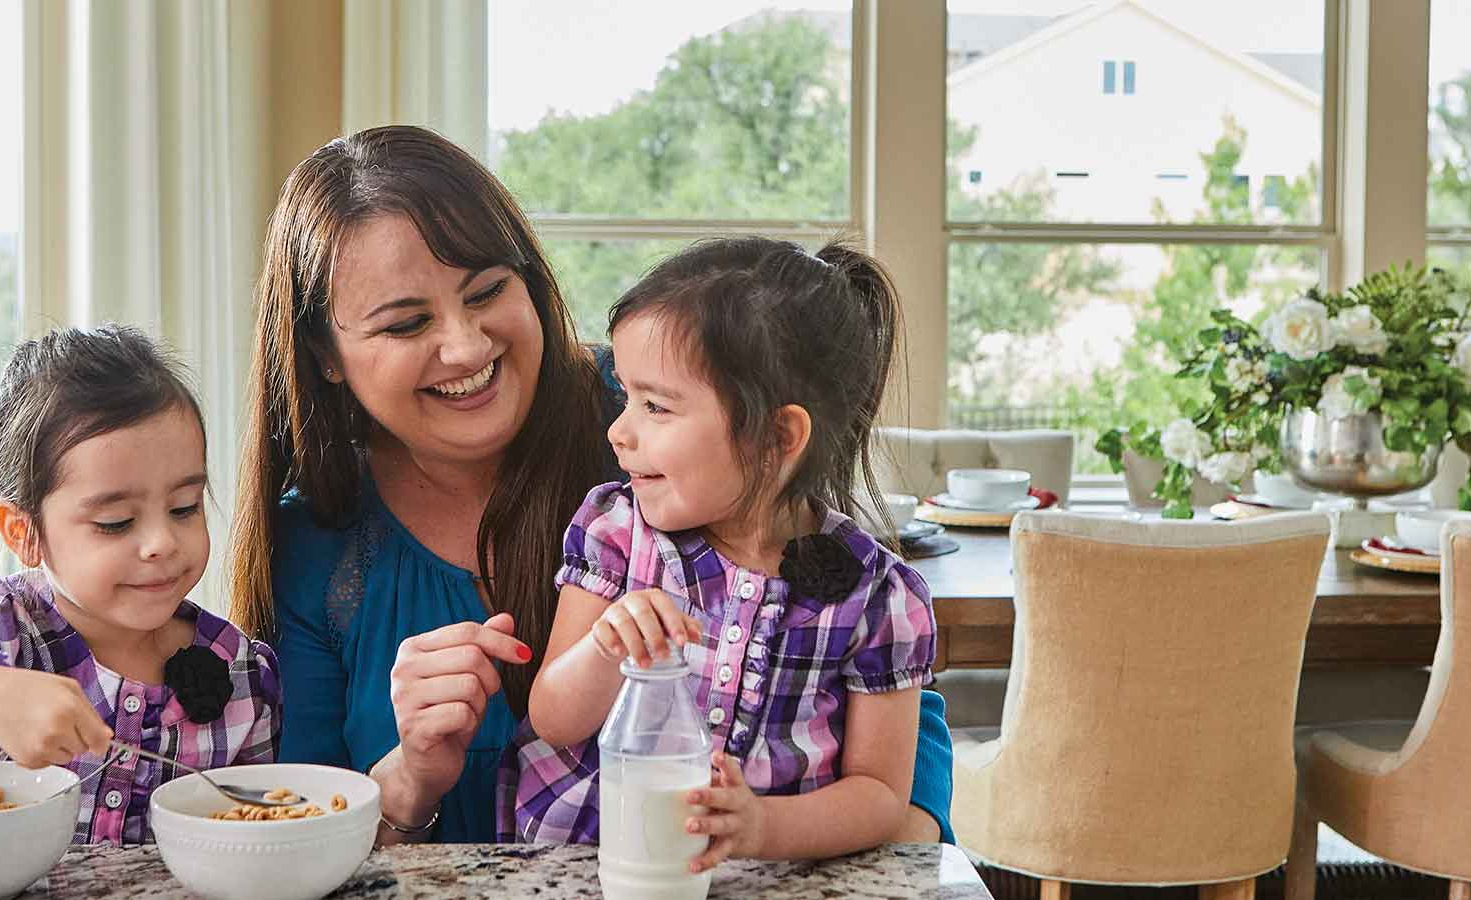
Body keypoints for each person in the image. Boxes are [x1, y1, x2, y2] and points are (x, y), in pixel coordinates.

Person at [228, 125, 953, 846]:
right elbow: (298, 835)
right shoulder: (318, 545)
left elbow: (897, 744)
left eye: (487, 291)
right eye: (408, 322)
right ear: (325, 353)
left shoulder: (655, 425)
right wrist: (412, 778)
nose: (468, 345)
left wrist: (862, 828)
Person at [507, 237, 931, 871]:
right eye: (625, 397)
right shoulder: (616, 531)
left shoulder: (877, 597)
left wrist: (763, 825)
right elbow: (552, 719)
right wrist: (603, 648)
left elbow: (879, 796)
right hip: (597, 864)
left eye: (655, 406)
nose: (619, 431)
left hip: (770, 879)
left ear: (778, 436)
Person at [0, 325, 281, 845]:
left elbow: (260, 837)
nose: (162, 541)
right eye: (116, 521)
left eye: (184, 508)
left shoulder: (241, 673)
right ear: (25, 533)